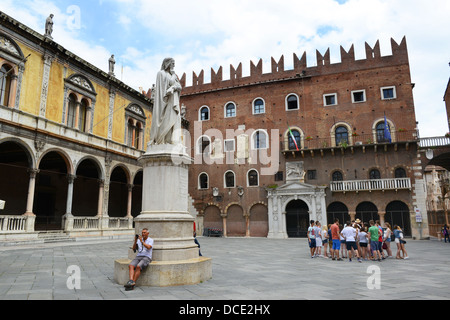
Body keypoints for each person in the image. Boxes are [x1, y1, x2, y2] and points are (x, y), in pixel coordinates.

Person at [149, 57, 182, 145]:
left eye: (174, 64)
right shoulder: (161, 73)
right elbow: (162, 90)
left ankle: (172, 141)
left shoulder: (173, 75)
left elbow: (179, 86)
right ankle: (162, 140)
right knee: (166, 119)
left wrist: (174, 87)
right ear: (167, 63)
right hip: (166, 101)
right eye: (172, 63)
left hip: (173, 101)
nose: (174, 65)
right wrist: (173, 79)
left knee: (175, 119)